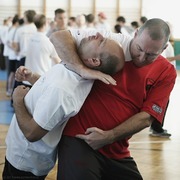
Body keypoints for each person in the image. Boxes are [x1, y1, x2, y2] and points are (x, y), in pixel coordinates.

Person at [49, 18, 177, 179]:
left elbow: (147, 117)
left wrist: (110, 136)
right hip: (80, 138)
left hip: (117, 148)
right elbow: (58, 37)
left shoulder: (165, 72)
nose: (142, 57)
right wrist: (82, 69)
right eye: (139, 49)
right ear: (135, 34)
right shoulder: (111, 43)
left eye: (151, 55)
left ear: (164, 48)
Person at [2, 32, 125, 179]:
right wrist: (32, 77)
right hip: (20, 153)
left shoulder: (64, 89)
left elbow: (32, 133)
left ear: (94, 60)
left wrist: (17, 100)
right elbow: (50, 92)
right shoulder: (74, 69)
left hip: (24, 160)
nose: (98, 34)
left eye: (102, 41)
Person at [23, 14, 60, 86]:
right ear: (45, 24)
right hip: (41, 79)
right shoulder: (48, 41)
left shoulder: (30, 39)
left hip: (28, 78)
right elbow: (57, 62)